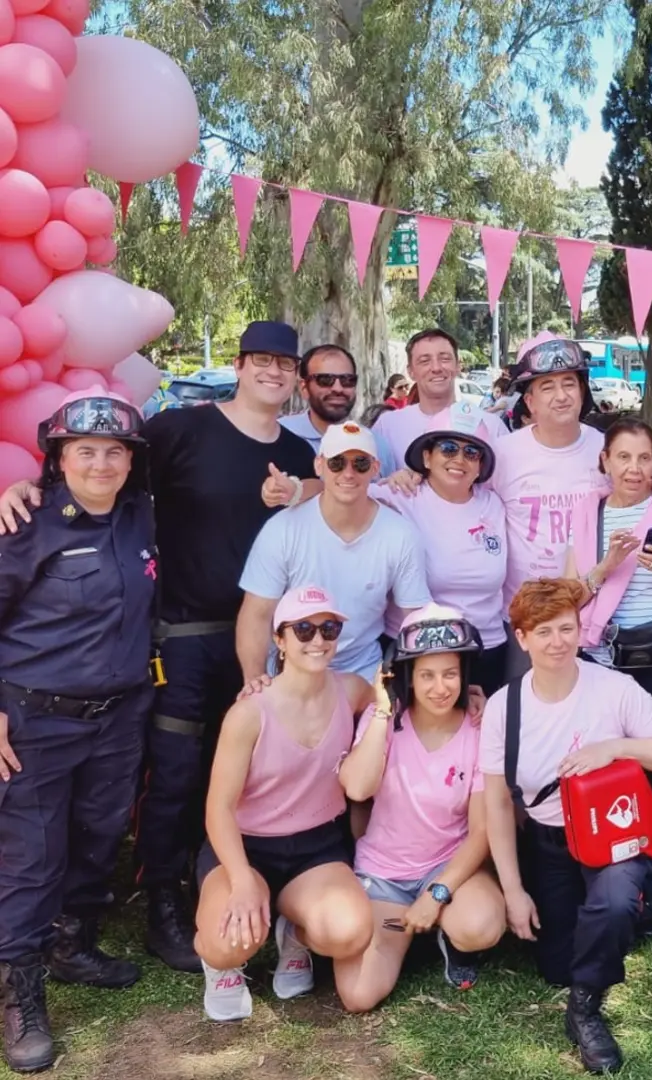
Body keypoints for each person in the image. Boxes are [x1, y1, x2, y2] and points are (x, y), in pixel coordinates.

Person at [0, 321, 318, 974]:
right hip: (179, 634)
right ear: (239, 363)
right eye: (262, 359)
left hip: (258, 637)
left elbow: (332, 498)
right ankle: (162, 903)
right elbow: (94, 476)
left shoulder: (296, 450)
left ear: (296, 377)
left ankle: (233, 888)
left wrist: (305, 488)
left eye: (286, 364)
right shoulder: (181, 430)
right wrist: (28, 490)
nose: (274, 372)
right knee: (172, 774)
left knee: (244, 771)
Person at [0, 389, 156, 1072]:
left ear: (130, 461)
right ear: (58, 457)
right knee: (32, 857)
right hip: (35, 719)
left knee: (97, 836)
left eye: (114, 450)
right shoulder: (23, 521)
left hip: (119, 714)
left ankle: (71, 946)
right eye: (84, 449)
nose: (100, 462)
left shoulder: (142, 515)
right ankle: (21, 994)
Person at [480, 579, 652, 1075]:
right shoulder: (503, 708)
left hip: (615, 837)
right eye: (544, 631)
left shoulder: (613, 689)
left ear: (581, 631)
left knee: (611, 904)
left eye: (567, 628)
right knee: (556, 964)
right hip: (551, 842)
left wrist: (615, 748)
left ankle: (585, 1009)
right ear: (522, 638)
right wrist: (513, 891)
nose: (557, 642)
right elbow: (495, 804)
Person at [195, 586, 376, 1021]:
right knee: (228, 942)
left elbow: (385, 702)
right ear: (280, 639)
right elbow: (218, 808)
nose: (318, 640)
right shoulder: (249, 713)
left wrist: (474, 696)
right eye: (304, 629)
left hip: (316, 846)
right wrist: (239, 880)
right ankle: (219, 966)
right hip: (248, 844)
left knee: (350, 932)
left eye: (328, 629)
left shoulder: (351, 690)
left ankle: (294, 933)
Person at [336, 606, 505, 1010]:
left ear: (464, 673)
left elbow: (481, 832)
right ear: (407, 675)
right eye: (426, 675)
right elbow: (358, 788)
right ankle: (409, 931)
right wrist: (380, 707)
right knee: (358, 995)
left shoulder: (479, 728)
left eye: (450, 673)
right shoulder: (385, 720)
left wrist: (437, 893)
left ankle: (450, 935)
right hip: (385, 874)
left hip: (449, 870)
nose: (439, 687)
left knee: (479, 926)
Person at [565, 418, 652, 879]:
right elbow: (572, 597)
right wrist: (607, 565)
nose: (634, 468)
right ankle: (616, 849)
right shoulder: (589, 510)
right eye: (623, 457)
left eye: (644, 458)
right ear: (604, 460)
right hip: (603, 658)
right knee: (608, 755)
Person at [237, 422, 430, 685]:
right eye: (337, 463)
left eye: (360, 463)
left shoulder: (401, 534)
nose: (348, 473)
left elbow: (414, 620)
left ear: (375, 468)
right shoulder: (282, 529)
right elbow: (257, 614)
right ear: (319, 466)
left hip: (362, 671)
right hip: (289, 671)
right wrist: (254, 680)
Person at [489, 335, 606, 680]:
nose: (561, 395)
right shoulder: (503, 454)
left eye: (570, 384)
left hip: (592, 614)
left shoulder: (606, 450)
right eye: (548, 387)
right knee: (523, 721)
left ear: (583, 392)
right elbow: (462, 496)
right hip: (526, 619)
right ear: (530, 401)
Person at [373, 417, 508, 695]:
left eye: (471, 452)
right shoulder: (399, 494)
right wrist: (294, 490)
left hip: (487, 648)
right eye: (448, 448)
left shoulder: (494, 503)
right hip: (418, 650)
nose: (459, 459)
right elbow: (339, 493)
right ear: (426, 456)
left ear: (481, 465)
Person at [372, 329, 505, 477]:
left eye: (445, 359)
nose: (436, 368)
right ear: (410, 372)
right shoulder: (387, 426)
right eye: (424, 361)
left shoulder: (492, 426)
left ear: (457, 366)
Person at [279, 345, 360, 454]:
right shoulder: (277, 435)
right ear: (304, 388)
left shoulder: (375, 445)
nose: (338, 388)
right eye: (325, 380)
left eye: (347, 380)